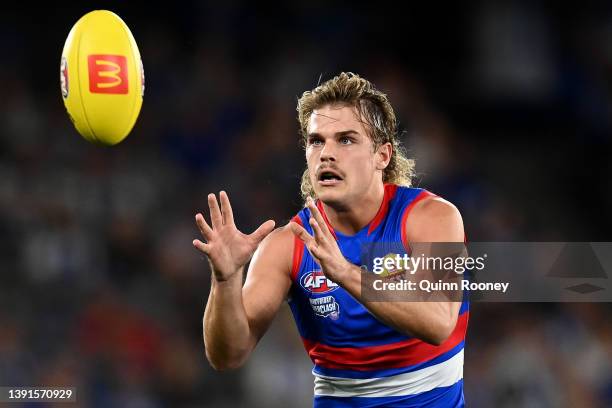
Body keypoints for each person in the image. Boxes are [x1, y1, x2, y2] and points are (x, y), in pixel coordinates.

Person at [193, 72, 469, 407]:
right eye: (316, 141)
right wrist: (225, 280)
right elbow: (228, 356)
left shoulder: (431, 219)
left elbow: (438, 321)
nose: (326, 153)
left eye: (346, 140)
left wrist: (346, 272)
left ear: (382, 155)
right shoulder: (288, 244)